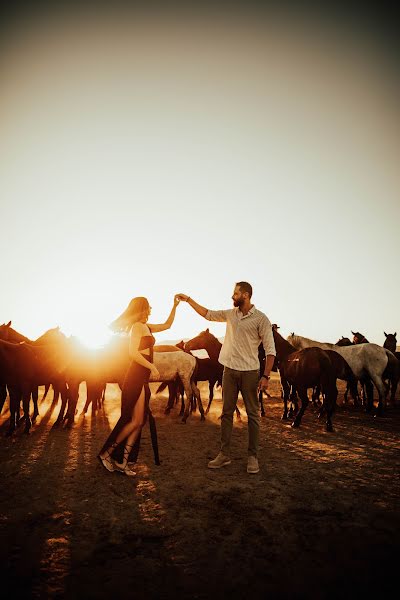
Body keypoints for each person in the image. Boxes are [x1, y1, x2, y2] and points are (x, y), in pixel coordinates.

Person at [176, 282, 275, 474]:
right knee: (226, 413)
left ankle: (253, 457)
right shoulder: (230, 315)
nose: (232, 296)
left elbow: (271, 351)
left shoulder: (261, 319)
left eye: (236, 293)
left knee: (253, 415)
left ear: (245, 295)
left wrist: (266, 376)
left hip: (249, 373)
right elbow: (208, 313)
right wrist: (188, 300)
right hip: (229, 371)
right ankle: (224, 454)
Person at [98, 295, 180, 476]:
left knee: (138, 421)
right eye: (148, 307)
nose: (150, 310)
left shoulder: (147, 327)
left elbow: (168, 325)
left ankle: (123, 462)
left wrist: (174, 306)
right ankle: (106, 453)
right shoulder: (137, 327)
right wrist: (152, 366)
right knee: (133, 420)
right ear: (141, 309)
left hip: (142, 377)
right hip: (135, 375)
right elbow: (133, 353)